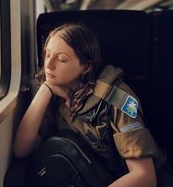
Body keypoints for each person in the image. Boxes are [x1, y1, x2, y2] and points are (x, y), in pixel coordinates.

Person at [14, 23, 168, 187]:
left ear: (85, 66)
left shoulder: (117, 97)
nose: (49, 65)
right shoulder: (54, 95)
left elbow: (145, 177)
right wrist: (45, 90)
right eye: (47, 55)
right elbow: (21, 150)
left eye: (62, 59)